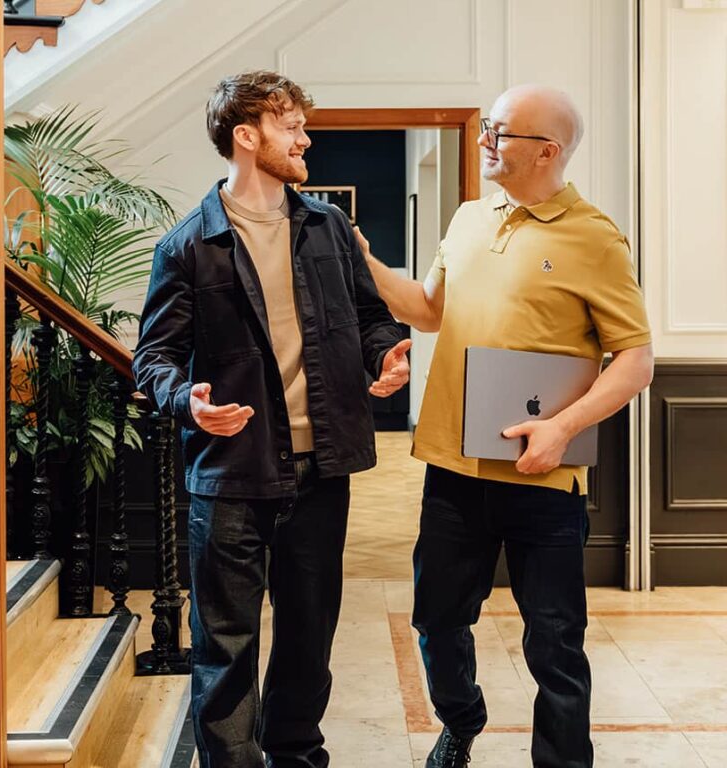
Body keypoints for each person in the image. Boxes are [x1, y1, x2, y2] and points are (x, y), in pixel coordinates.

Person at [357, 85, 654, 768]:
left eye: (500, 131)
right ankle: (461, 721)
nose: (485, 140)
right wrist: (364, 259)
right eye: (488, 127)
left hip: (544, 479)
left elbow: (635, 361)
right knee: (435, 621)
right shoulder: (467, 218)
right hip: (453, 472)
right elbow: (427, 310)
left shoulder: (596, 237)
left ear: (547, 151)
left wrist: (562, 427)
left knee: (553, 641)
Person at [132, 70, 410, 768]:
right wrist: (185, 397)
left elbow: (373, 316)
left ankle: (296, 756)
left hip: (322, 471)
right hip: (230, 475)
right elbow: (155, 357)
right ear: (247, 135)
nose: (305, 138)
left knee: (309, 639)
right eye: (291, 126)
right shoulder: (189, 245)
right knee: (225, 648)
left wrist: (386, 357)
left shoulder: (330, 227)